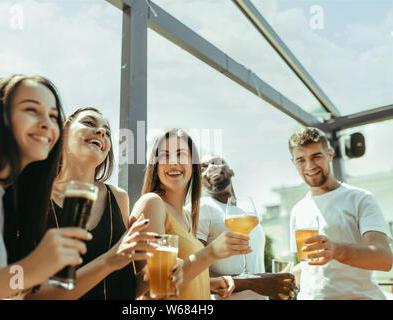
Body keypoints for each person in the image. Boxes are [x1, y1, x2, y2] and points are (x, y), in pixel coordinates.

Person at [0, 74, 90, 299]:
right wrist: (31, 269)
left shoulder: (0, 195)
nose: (47, 123)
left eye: (53, 116)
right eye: (31, 109)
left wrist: (33, 272)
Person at [26, 107, 181, 300]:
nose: (101, 132)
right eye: (89, 123)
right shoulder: (34, 200)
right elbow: (30, 297)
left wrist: (159, 275)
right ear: (63, 132)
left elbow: (125, 286)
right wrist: (110, 260)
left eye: (107, 132)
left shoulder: (118, 197)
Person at [130, 129, 251, 300]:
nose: (173, 162)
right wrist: (211, 253)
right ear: (155, 166)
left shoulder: (186, 216)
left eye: (181, 154)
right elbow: (154, 289)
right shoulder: (152, 203)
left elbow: (181, 273)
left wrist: (209, 282)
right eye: (165, 156)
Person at [288, 127, 392, 300]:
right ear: (293, 162)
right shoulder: (298, 210)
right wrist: (279, 278)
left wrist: (336, 250)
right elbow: (308, 266)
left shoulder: (360, 198)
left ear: (329, 154)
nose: (309, 166)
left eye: (316, 156)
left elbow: (384, 258)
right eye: (301, 160)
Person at [196, 154, 296, 300]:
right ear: (200, 180)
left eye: (217, 162)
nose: (211, 168)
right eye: (204, 168)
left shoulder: (247, 213)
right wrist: (251, 283)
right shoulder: (202, 209)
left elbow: (256, 271)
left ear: (231, 171)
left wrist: (275, 282)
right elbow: (197, 273)